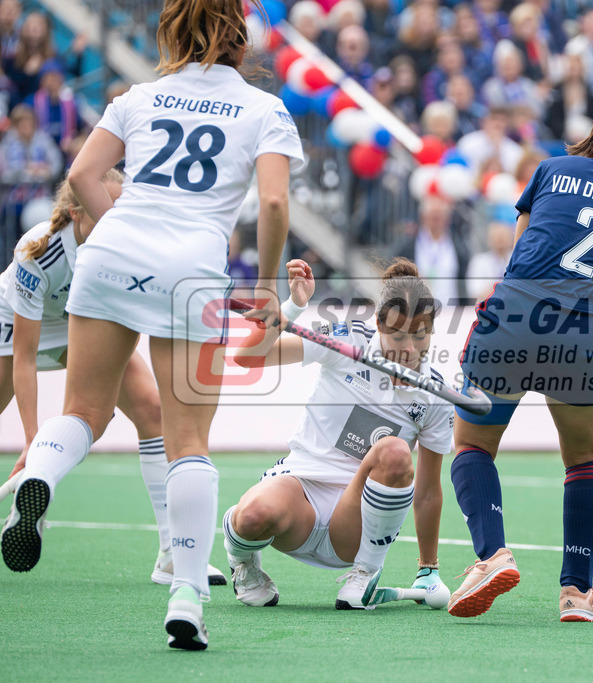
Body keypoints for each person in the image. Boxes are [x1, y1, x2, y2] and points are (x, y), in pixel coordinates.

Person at [1, 0, 304, 652]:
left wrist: (119, 239)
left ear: (172, 29)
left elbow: (82, 173)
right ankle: (188, 598)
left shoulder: (139, 95)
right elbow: (275, 200)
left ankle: (39, 477)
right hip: (188, 268)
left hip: (110, 253)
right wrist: (270, 287)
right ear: (238, 34)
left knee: (83, 409)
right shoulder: (262, 108)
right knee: (187, 438)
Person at [447, 104, 593, 622]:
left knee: (474, 445)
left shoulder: (552, 169)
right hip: (589, 330)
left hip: (517, 313)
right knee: (585, 461)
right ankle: (576, 592)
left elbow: (522, 247)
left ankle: (492, 555)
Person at [0, 171, 226, 587]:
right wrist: (31, 438)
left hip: (79, 324)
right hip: (16, 327)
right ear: (76, 213)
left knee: (153, 412)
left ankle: (172, 556)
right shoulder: (39, 252)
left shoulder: (123, 252)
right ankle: (41, 469)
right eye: (107, 211)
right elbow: (25, 358)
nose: (118, 220)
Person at [225, 258, 454, 610]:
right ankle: (242, 561)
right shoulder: (345, 339)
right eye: (397, 335)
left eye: (419, 336)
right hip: (300, 491)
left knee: (393, 451)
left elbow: (427, 492)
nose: (408, 349)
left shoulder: (434, 394)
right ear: (378, 324)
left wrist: (428, 569)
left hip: (356, 525)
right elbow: (247, 358)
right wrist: (294, 305)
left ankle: (365, 574)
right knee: (252, 516)